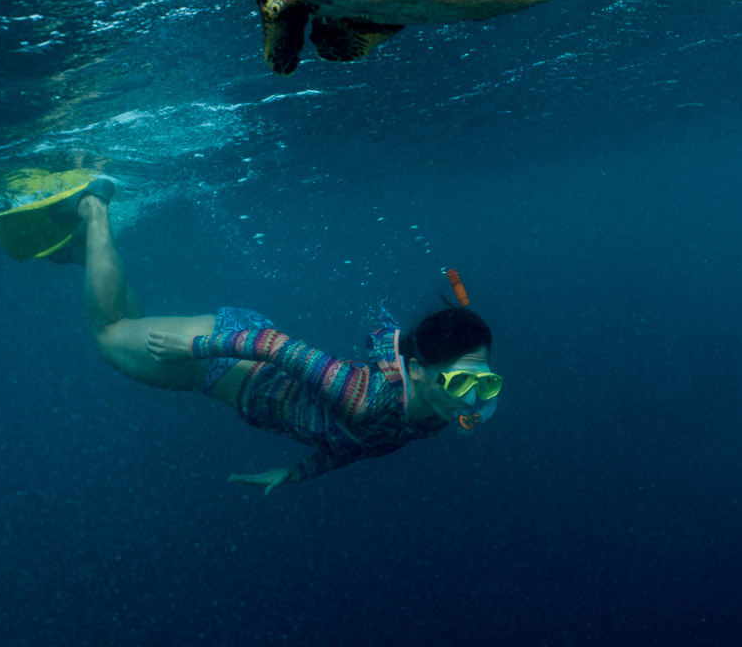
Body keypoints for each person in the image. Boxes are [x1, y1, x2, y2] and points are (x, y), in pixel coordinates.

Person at [67, 180, 501, 493]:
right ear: (420, 372)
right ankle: (95, 204)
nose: (473, 398)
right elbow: (278, 348)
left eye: (485, 382)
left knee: (127, 321)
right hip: (218, 356)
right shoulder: (361, 395)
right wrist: (194, 348)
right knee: (109, 335)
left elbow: (364, 444)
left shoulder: (429, 418)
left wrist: (295, 473)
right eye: (462, 381)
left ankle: (88, 248)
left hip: (228, 361)